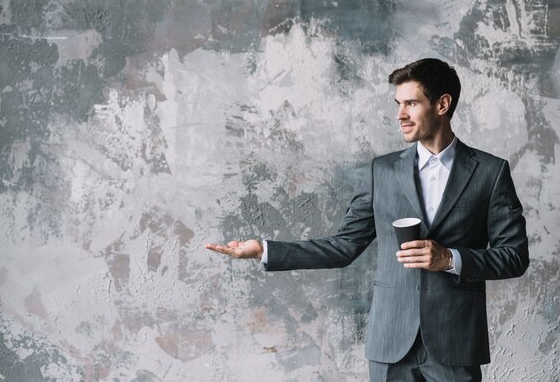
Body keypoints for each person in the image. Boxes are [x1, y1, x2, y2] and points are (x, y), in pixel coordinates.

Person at [205, 58, 529, 382]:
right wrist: (263, 250)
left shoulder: (490, 171)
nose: (400, 114)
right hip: (390, 344)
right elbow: (344, 246)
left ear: (443, 104)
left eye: (411, 103)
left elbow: (514, 257)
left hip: (455, 343)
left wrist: (449, 259)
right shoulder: (382, 171)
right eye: (398, 104)